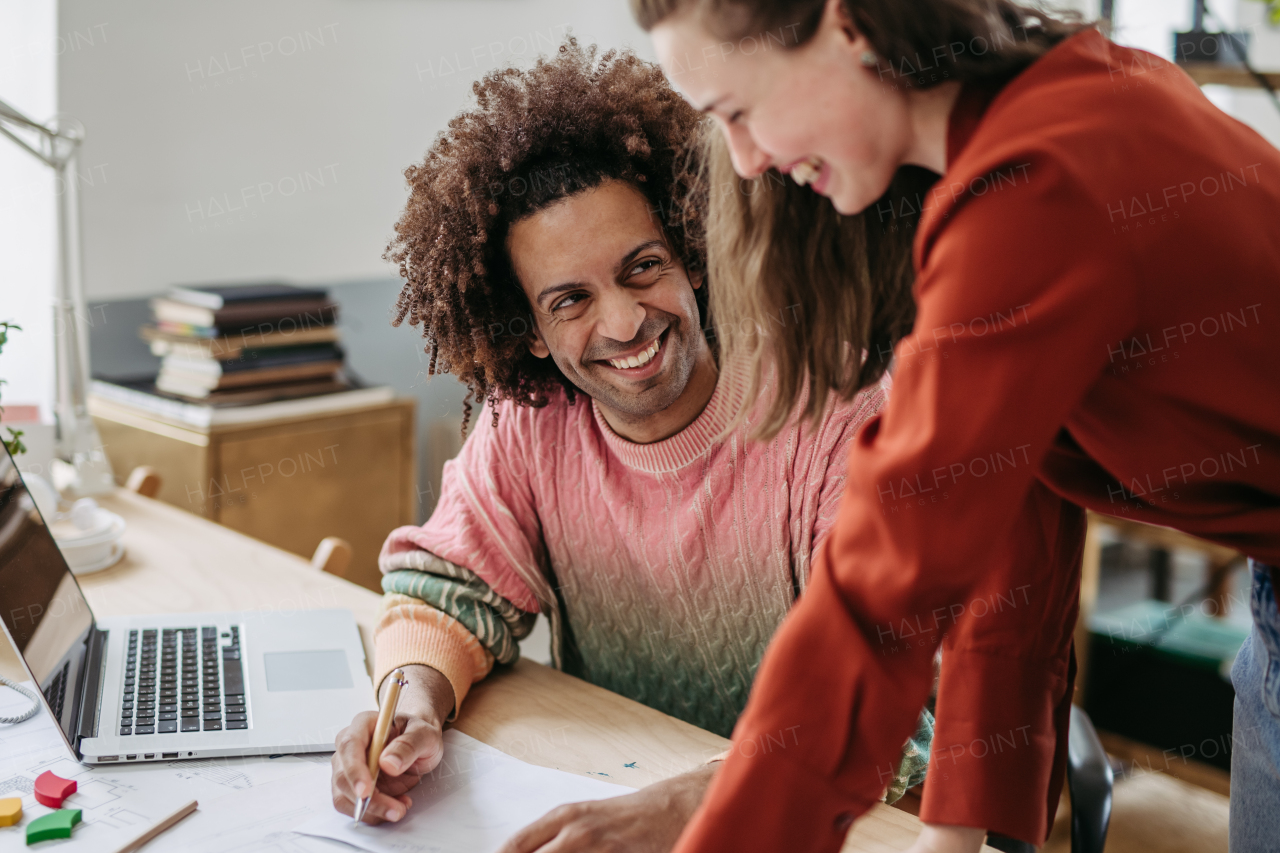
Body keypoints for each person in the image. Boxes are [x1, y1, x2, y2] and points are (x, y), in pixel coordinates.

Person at [630, 1, 1280, 852]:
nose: (749, 161)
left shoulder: (1041, 182)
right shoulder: (999, 153)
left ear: (847, 29)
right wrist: (955, 835)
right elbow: (1010, 527)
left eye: (738, 112)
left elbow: (880, 591)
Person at [327, 41, 934, 852]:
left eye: (643, 267)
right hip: (624, 789)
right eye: (571, 299)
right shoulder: (529, 422)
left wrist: (689, 803)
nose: (621, 324)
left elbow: (872, 697)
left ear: (693, 250)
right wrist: (411, 703)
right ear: (531, 333)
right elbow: (447, 591)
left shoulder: (828, 405)